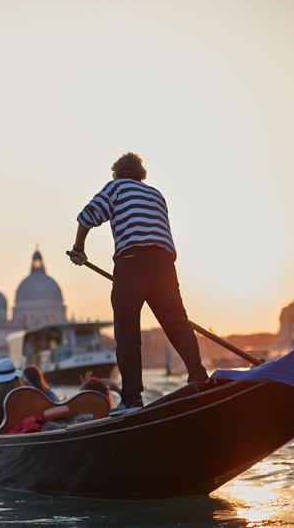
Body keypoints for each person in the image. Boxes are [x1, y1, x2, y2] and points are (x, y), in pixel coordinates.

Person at [67, 152, 208, 416]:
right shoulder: (157, 194)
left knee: (127, 331)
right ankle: (199, 377)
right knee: (178, 323)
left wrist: (79, 249)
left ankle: (131, 399)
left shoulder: (117, 187)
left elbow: (87, 216)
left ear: (117, 173)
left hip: (132, 261)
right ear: (140, 174)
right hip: (165, 263)